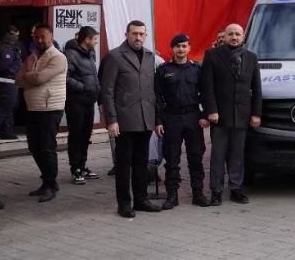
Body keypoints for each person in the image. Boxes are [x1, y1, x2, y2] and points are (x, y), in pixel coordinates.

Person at [101, 20, 162, 218]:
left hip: (145, 118)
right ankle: (124, 203)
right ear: (126, 34)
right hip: (124, 119)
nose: (138, 37)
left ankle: (141, 199)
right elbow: (107, 91)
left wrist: (157, 119)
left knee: (142, 161)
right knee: (123, 163)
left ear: (145, 36)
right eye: (134, 33)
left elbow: (153, 91)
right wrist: (112, 120)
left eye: (141, 34)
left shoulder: (150, 56)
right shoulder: (114, 56)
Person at [202, 24, 262, 206]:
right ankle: (216, 191)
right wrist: (211, 110)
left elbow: (256, 88)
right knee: (218, 156)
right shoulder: (212, 55)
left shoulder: (251, 57)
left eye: (237, 34)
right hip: (220, 116)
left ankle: (236, 189)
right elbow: (207, 86)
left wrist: (256, 114)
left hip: (242, 115)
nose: (234, 37)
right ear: (225, 36)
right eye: (231, 34)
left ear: (243, 37)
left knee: (237, 155)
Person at [155, 34, 211, 209]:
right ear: (172, 48)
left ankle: (198, 193)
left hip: (193, 117)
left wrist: (205, 115)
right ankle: (172, 195)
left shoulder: (196, 70)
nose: (181, 49)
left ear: (189, 48)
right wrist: (158, 121)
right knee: (172, 158)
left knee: (196, 157)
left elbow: (206, 94)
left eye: (184, 46)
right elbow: (157, 97)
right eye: (177, 46)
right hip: (171, 118)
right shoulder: (163, 70)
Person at [15, 24, 67, 203]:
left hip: (50, 107)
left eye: (43, 37)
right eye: (36, 37)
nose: (39, 40)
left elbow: (39, 78)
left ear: (51, 37)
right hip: (32, 107)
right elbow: (18, 80)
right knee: (34, 147)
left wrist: (29, 76)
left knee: (47, 148)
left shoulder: (58, 57)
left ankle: (50, 184)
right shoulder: (31, 57)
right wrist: (31, 77)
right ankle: (47, 179)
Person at [65, 26, 101, 185]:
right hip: (75, 102)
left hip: (88, 102)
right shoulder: (71, 55)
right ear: (87, 39)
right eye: (95, 39)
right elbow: (64, 77)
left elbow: (92, 76)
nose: (96, 42)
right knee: (76, 135)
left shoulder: (90, 54)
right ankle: (75, 168)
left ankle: (82, 165)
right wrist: (84, 87)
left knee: (86, 135)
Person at [0, 33, 23, 140]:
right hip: (8, 83)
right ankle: (5, 131)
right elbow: (3, 67)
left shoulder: (8, 51)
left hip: (8, 83)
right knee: (5, 108)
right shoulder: (8, 52)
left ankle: (6, 131)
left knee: (7, 109)